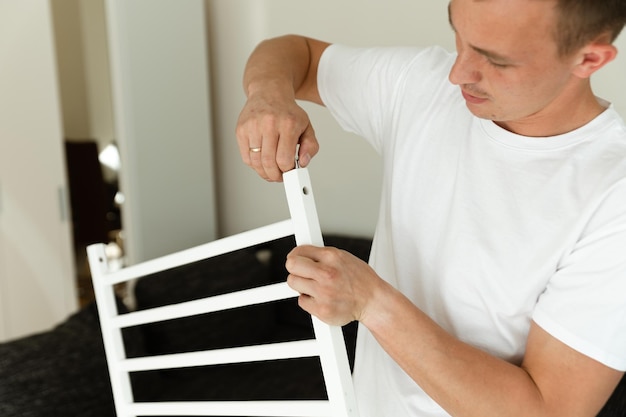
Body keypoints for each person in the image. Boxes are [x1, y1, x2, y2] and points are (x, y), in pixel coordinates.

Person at [235, 0, 626, 416]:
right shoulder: (423, 85)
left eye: (496, 61)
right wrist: (268, 96)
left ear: (589, 58)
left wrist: (372, 302)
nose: (459, 73)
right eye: (459, 36)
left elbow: (548, 411)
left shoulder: (612, 197)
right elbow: (298, 54)